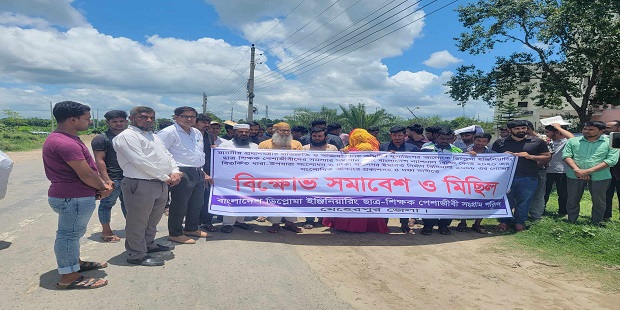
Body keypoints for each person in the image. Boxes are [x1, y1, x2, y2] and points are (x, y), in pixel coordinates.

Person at [44, 101, 112, 289]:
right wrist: (103, 187)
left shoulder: (65, 138)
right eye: (87, 118)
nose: (90, 122)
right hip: (72, 197)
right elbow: (86, 174)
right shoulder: (64, 142)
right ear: (73, 120)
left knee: (73, 234)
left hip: (72, 196)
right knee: (68, 236)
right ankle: (68, 277)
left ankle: (75, 263)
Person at [114, 106, 181, 266]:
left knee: (153, 219)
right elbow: (140, 161)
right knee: (137, 221)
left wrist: (175, 170)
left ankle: (148, 245)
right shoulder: (127, 136)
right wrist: (165, 177)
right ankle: (136, 254)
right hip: (141, 183)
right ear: (132, 118)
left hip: (160, 183)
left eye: (151, 117)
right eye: (143, 117)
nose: (149, 120)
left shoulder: (154, 136)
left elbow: (168, 155)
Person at [158, 107, 213, 244]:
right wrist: (172, 171)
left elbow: (198, 153)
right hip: (181, 171)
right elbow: (160, 153)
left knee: (197, 203)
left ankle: (191, 228)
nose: (189, 119)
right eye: (185, 116)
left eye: (192, 117)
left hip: (198, 171)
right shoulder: (168, 132)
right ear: (176, 117)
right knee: (179, 204)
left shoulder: (196, 132)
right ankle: (175, 233)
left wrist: (203, 172)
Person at [322, 129, 390, 234]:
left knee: (353, 202)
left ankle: (350, 226)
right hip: (365, 180)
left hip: (357, 179)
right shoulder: (366, 145)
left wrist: (346, 152)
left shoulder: (364, 147)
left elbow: (355, 155)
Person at [492, 120, 550, 232]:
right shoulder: (500, 142)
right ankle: (504, 222)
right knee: (506, 200)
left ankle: (519, 222)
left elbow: (547, 157)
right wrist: (501, 156)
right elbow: (491, 159)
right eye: (517, 129)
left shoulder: (537, 142)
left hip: (529, 176)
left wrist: (531, 156)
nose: (521, 131)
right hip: (506, 177)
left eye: (523, 128)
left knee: (525, 201)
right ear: (510, 130)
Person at [563, 121, 619, 224]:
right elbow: (566, 156)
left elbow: (611, 160)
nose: (586, 131)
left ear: (601, 131)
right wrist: (577, 170)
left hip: (600, 176)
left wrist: (587, 171)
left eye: (591, 129)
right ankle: (571, 220)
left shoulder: (610, 142)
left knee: (599, 201)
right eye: (585, 129)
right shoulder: (573, 141)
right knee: (572, 199)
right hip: (575, 174)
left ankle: (596, 222)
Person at [259, 122, 304, 233]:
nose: (285, 133)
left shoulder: (296, 144)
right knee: (274, 201)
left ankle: (290, 223)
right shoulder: (264, 145)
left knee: (292, 201)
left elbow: (303, 161)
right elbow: (258, 162)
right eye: (282, 130)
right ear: (275, 131)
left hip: (292, 179)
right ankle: (275, 224)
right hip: (272, 180)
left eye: (288, 130)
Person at [91, 110, 128, 243]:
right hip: (113, 177)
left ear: (126, 121)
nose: (118, 124)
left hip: (129, 177)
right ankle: (106, 231)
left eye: (121, 121)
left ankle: (131, 229)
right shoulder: (101, 139)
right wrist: (106, 180)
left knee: (129, 204)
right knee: (107, 204)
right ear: (108, 122)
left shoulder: (130, 137)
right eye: (114, 121)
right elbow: (99, 160)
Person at [420, 127, 461, 235]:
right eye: (442, 138)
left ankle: (444, 225)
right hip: (430, 183)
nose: (444, 141)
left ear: (453, 138)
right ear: (437, 137)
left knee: (448, 204)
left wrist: (471, 156)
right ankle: (428, 225)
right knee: (429, 204)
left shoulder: (457, 151)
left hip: (448, 184)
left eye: (448, 139)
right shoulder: (426, 148)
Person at [217, 123, 256, 233]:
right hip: (230, 180)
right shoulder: (225, 146)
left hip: (249, 180)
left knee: (245, 201)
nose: (243, 134)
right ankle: (228, 224)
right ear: (234, 132)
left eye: (246, 132)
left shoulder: (254, 147)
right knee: (231, 201)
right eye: (240, 132)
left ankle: (240, 221)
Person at [380, 125, 419, 233]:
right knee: (386, 202)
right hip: (387, 180)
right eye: (394, 135)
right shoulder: (383, 147)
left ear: (405, 135)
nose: (397, 138)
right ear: (390, 135)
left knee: (404, 202)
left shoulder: (412, 148)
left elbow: (418, 164)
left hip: (406, 180)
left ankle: (404, 224)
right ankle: (384, 224)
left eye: (399, 135)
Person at [458, 133, 495, 234]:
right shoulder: (463, 151)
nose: (481, 143)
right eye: (478, 141)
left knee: (483, 202)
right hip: (467, 181)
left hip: (485, 182)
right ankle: (462, 222)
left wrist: (506, 155)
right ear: (474, 140)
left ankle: (477, 224)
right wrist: (464, 155)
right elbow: (455, 162)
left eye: (484, 141)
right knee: (465, 201)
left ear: (488, 142)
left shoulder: (493, 154)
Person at [301, 127, 338, 229]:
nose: (317, 138)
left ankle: (322, 219)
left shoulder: (333, 149)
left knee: (324, 200)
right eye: (314, 136)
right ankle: (309, 220)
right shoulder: (304, 149)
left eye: (319, 136)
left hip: (327, 180)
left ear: (325, 137)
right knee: (309, 200)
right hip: (309, 180)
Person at [193, 114, 218, 232]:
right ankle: (193, 224)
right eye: (203, 122)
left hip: (208, 170)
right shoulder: (189, 135)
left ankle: (207, 222)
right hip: (194, 170)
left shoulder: (209, 136)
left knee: (207, 197)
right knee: (194, 199)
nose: (206, 125)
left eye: (208, 122)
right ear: (195, 122)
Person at [542, 123, 573, 218]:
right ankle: (541, 209)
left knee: (563, 193)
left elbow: (572, 138)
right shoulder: (546, 141)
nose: (546, 134)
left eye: (548, 132)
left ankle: (563, 211)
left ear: (556, 132)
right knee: (544, 192)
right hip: (547, 171)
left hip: (562, 171)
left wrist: (558, 127)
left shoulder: (566, 142)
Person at [605, 120, 620, 221]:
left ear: (618, 128)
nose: (606, 130)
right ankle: (605, 216)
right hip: (607, 171)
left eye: (609, 128)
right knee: (606, 194)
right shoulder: (605, 139)